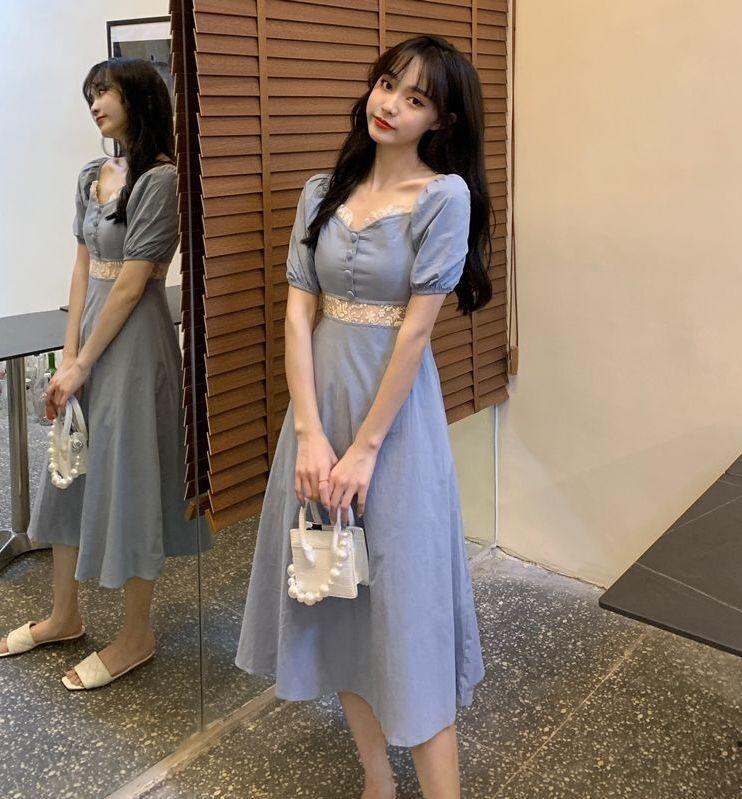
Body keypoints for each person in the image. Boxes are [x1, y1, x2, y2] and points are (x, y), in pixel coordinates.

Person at [235, 35, 494, 799]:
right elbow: (297, 315)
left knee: (407, 610)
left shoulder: (444, 197)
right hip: (317, 424)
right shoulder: (321, 192)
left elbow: (414, 333)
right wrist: (311, 436)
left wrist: (364, 448)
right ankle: (376, 778)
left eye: (415, 99)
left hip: (394, 429)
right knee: (337, 595)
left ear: (440, 120)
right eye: (387, 85)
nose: (391, 105)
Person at [0, 58, 212, 689]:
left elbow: (131, 283)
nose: (94, 104)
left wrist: (84, 361)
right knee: (67, 473)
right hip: (89, 338)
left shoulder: (161, 180)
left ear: (138, 98)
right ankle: (63, 615)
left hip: (133, 344)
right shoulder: (92, 174)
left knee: (130, 479)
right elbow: (82, 269)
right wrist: (68, 358)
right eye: (90, 93)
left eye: (105, 92)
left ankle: (136, 634)